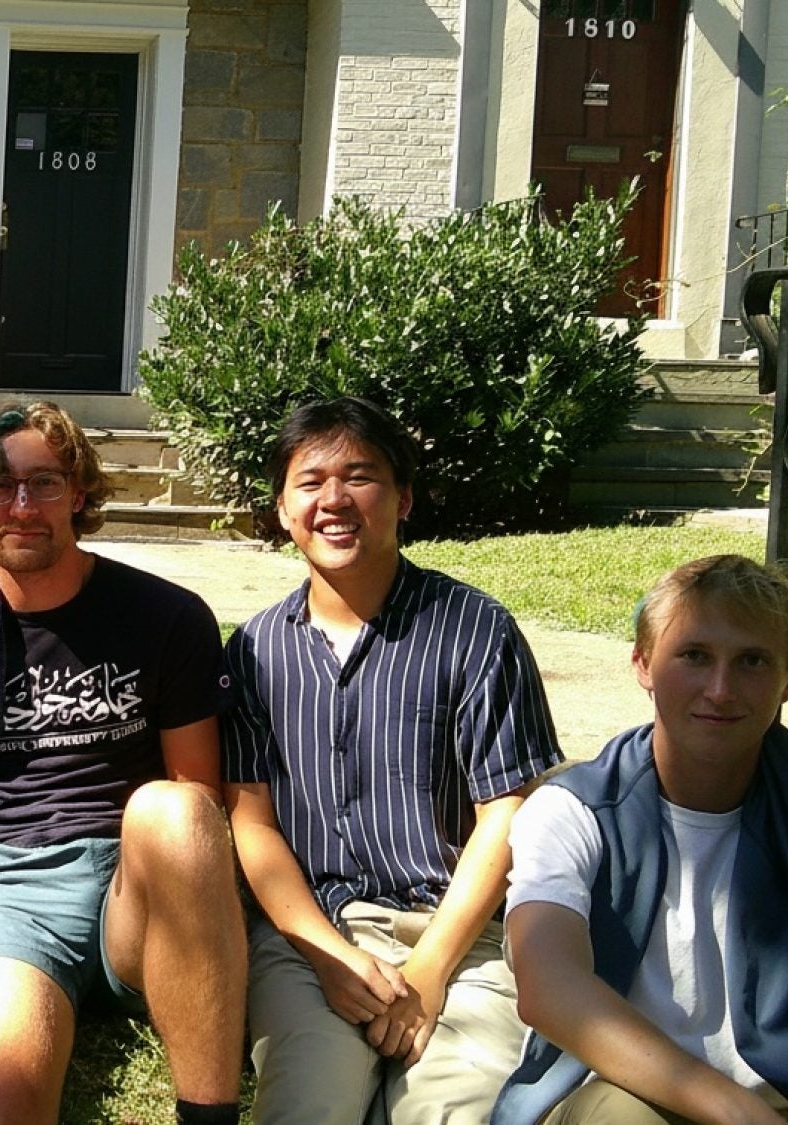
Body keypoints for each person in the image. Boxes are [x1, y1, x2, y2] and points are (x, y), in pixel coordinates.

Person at [0, 401, 247, 1125]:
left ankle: (209, 1116)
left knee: (174, 807)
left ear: (80, 493)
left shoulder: (164, 616)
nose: (21, 505)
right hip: (15, 888)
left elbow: (198, 789)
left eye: (44, 483)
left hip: (141, 885)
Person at [222, 396, 563, 1124]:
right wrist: (324, 954)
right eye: (309, 482)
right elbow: (251, 822)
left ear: (403, 498)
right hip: (313, 937)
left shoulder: (476, 629)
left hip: (462, 937)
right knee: (309, 1108)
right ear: (282, 509)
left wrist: (431, 969)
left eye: (361, 476)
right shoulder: (253, 651)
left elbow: (507, 811)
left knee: (452, 1113)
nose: (334, 500)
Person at [495, 555, 788, 1125]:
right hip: (626, 1087)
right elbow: (548, 984)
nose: (720, 690)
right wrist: (739, 1116)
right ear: (643, 663)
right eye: (694, 656)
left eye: (751, 661)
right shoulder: (573, 812)